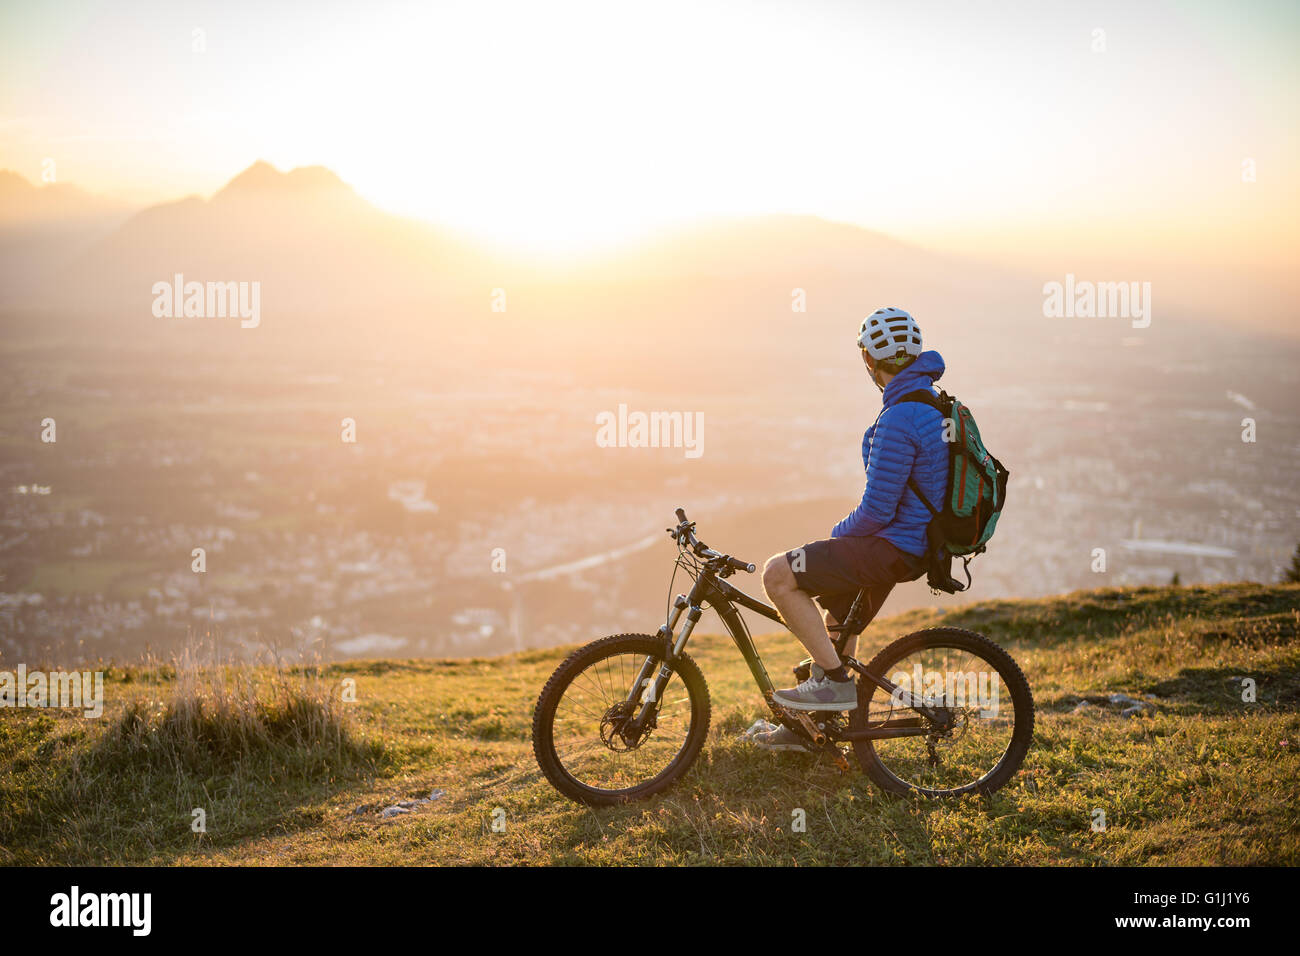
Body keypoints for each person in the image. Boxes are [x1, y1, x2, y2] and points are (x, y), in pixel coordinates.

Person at [753, 307, 949, 749]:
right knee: (838, 626)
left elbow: (877, 510)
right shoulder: (931, 403)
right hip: (912, 545)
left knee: (777, 574)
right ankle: (811, 733)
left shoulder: (900, 417)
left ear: (869, 362)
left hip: (891, 544)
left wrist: (837, 537)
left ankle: (837, 685)